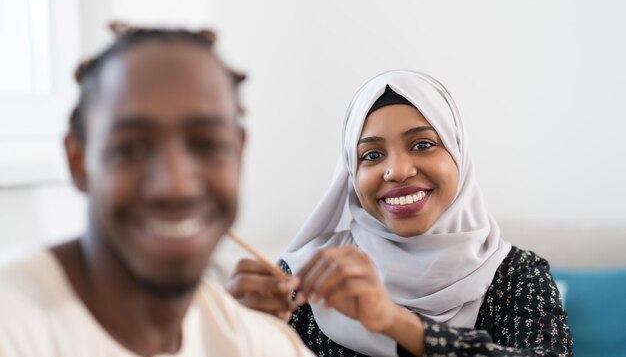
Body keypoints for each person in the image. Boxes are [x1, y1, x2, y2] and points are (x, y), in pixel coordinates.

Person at [0, 23, 314, 357]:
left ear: (239, 152)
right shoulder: (14, 328)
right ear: (78, 160)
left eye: (207, 145)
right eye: (132, 148)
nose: (175, 186)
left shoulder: (253, 342)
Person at [228, 70, 574, 356]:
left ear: (458, 153)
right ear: (351, 172)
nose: (397, 171)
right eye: (372, 155)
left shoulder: (516, 275)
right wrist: (237, 331)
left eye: (422, 145)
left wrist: (395, 321)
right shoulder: (306, 277)